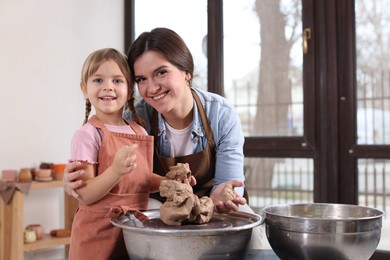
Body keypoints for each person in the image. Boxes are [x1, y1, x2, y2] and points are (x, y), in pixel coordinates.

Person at [64, 28, 266, 249]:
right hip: (163, 206)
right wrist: (75, 183)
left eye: (161, 72)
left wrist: (221, 197)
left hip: (212, 205)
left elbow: (228, 184)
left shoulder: (221, 114)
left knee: (251, 225)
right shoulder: (135, 120)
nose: (151, 88)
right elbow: (120, 179)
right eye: (141, 79)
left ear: (186, 71)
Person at [67, 48, 195, 259]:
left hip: (133, 231)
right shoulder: (87, 135)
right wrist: (115, 171)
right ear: (84, 89)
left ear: (129, 90)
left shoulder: (138, 131)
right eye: (98, 80)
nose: (108, 86)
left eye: (117, 81)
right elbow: (85, 194)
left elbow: (141, 179)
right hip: (97, 234)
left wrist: (170, 183)